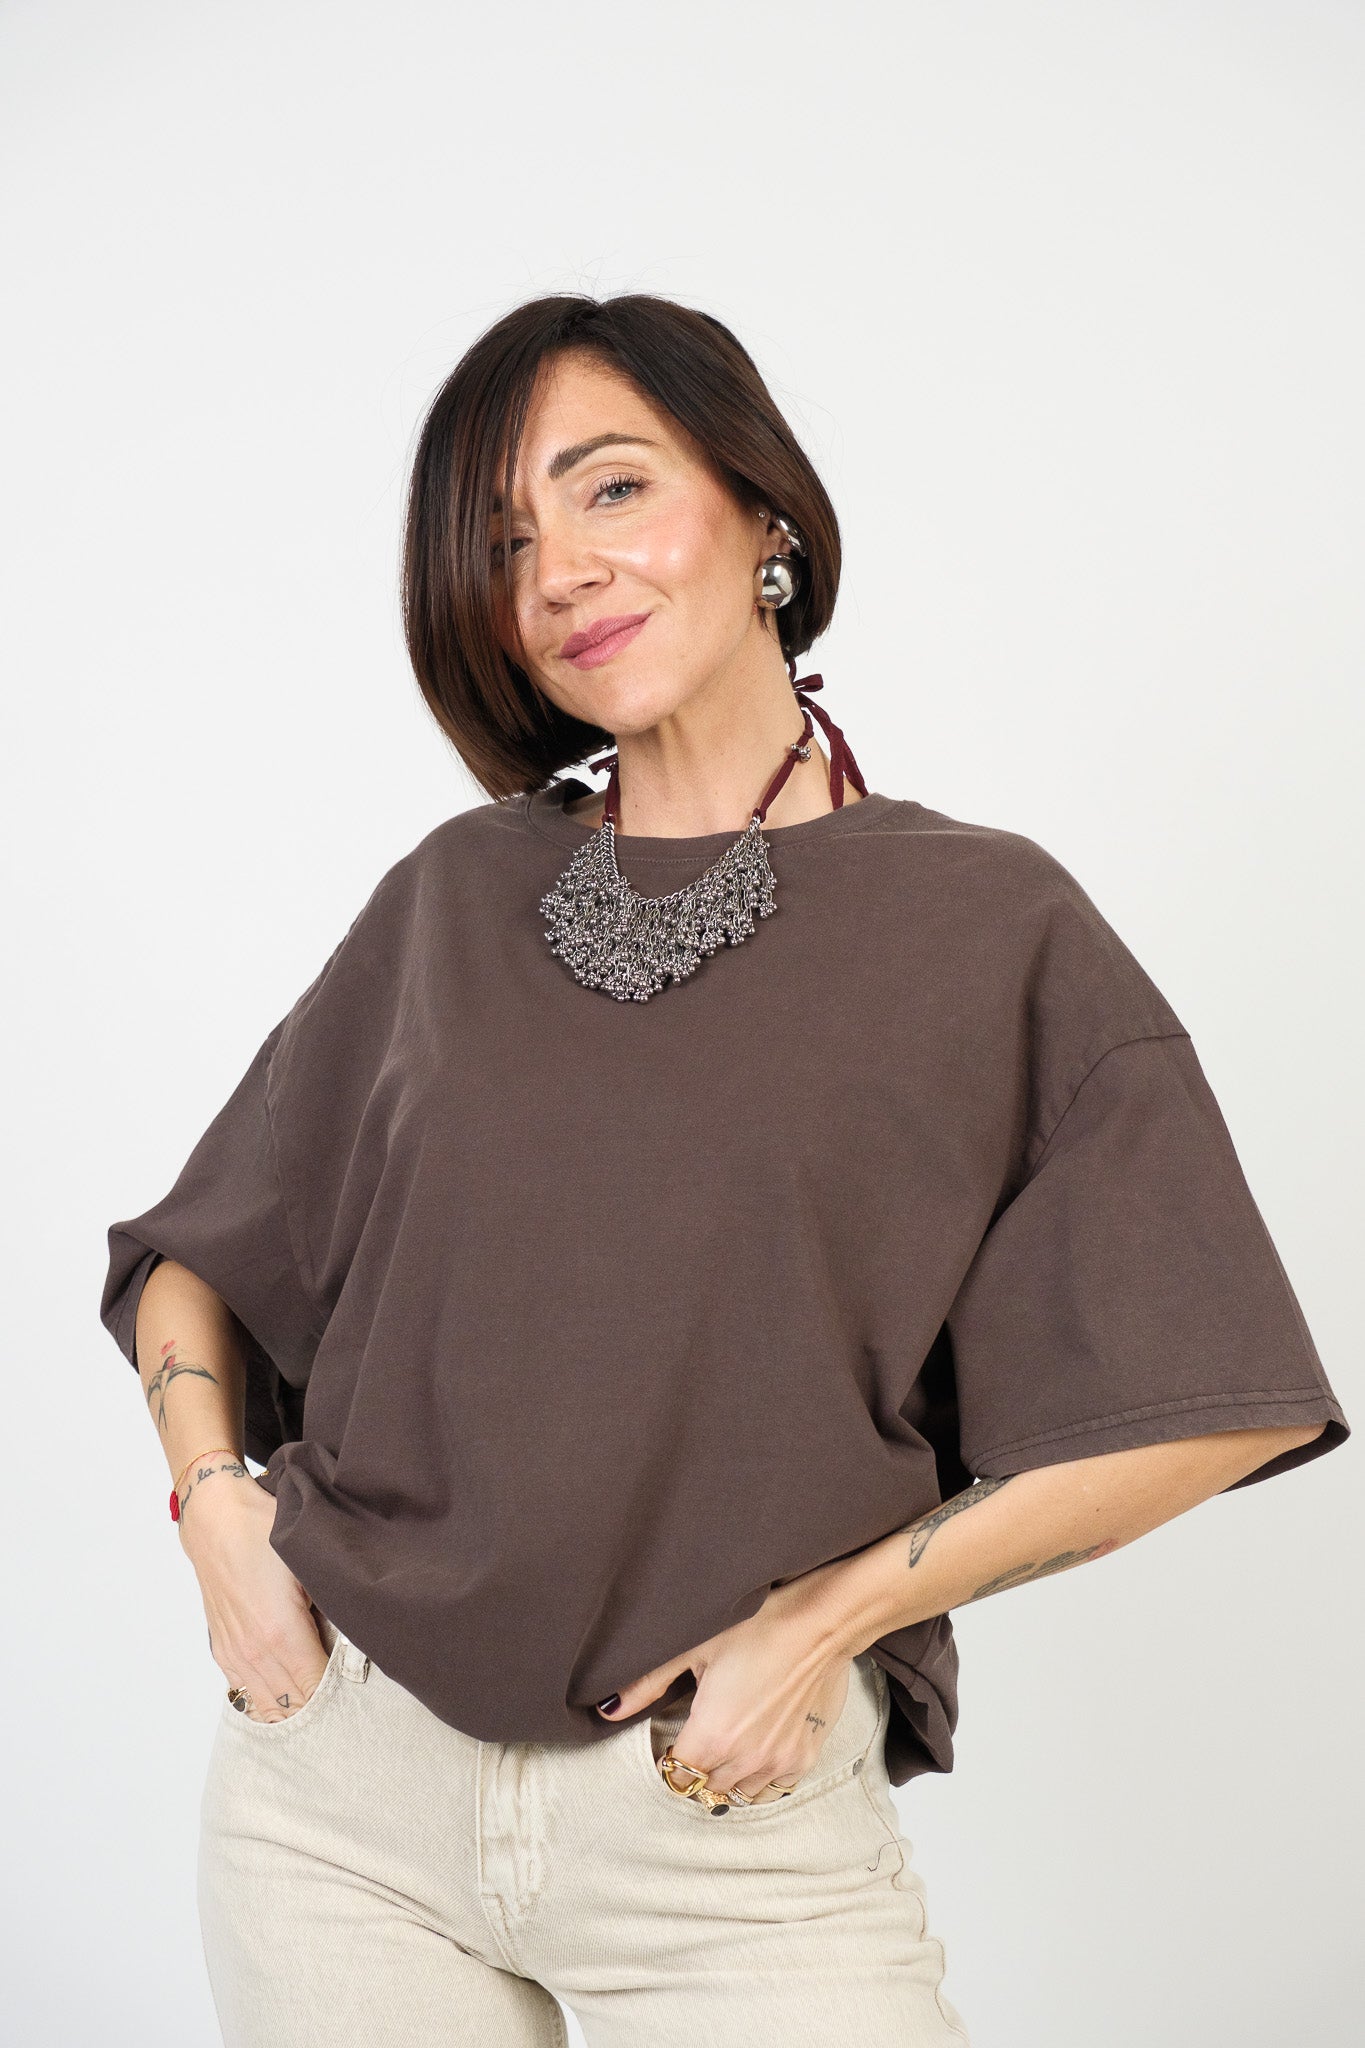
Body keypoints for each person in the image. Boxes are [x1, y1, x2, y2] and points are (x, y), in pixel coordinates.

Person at [100, 292, 1349, 2048]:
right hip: (339, 1806)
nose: (558, 573)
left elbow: (1204, 1402)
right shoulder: (453, 897)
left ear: (761, 508)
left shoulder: (987, 923)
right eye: (504, 543)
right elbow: (203, 1252)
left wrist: (832, 1620)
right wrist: (214, 1511)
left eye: (611, 489)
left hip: (721, 1821)